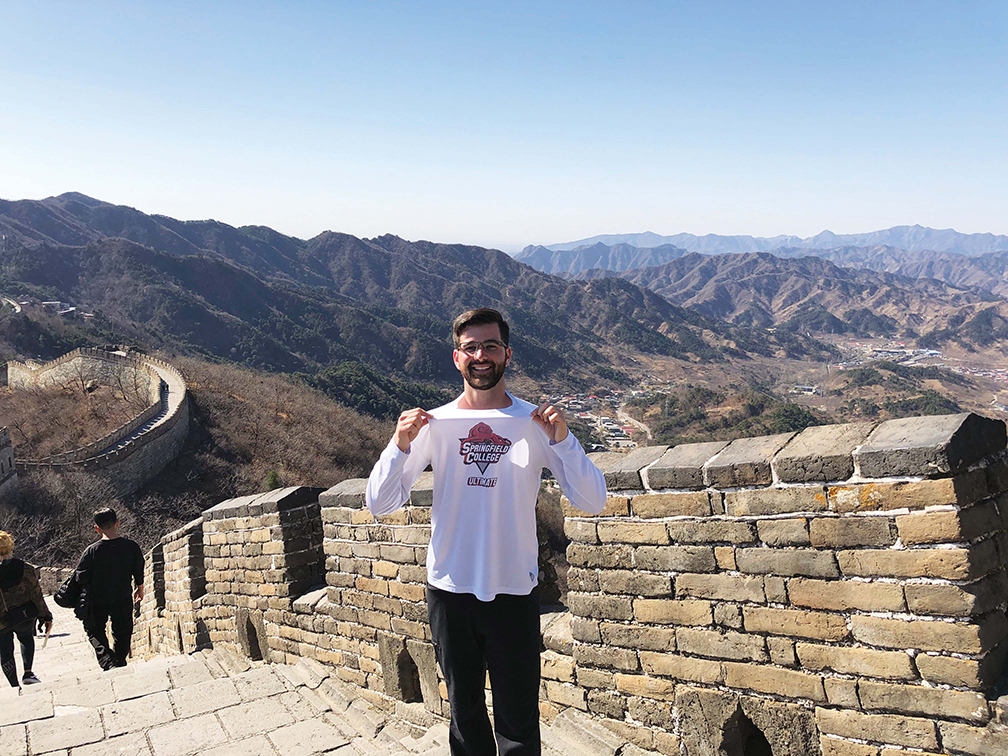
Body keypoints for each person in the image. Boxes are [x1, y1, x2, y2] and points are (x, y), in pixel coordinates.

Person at [367, 308, 606, 756]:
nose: (481, 355)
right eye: (470, 348)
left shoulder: (533, 424)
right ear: (457, 358)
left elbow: (593, 500)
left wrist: (564, 440)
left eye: (490, 346)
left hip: (514, 590)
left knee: (518, 723)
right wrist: (398, 445)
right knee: (464, 717)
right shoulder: (434, 425)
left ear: (507, 354)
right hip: (449, 589)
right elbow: (380, 502)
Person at [73, 508, 144, 670]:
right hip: (123, 595)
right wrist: (140, 588)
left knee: (94, 630)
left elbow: (80, 577)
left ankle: (107, 660)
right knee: (123, 630)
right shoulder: (131, 547)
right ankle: (120, 659)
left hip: (97, 598)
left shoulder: (91, 551)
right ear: (117, 524)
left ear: (96, 528)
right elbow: (138, 570)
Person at [0, 531, 53, 687]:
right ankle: (28, 672)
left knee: (5, 651)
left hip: (1, 620)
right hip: (24, 614)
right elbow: (36, 594)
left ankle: (14, 685)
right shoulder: (24, 568)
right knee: (26, 638)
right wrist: (46, 616)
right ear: (10, 547)